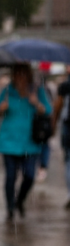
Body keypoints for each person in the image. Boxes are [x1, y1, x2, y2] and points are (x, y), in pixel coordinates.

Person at [0, 64, 51, 220]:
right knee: (11, 176)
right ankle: (10, 207)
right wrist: (1, 108)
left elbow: (48, 110)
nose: (20, 78)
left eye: (23, 74)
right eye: (17, 74)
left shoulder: (37, 91)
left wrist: (36, 103)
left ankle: (20, 200)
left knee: (29, 175)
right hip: (9, 140)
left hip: (30, 141)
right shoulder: (7, 91)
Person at [51, 73, 70, 208]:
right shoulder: (65, 86)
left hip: (68, 126)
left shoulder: (65, 86)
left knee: (69, 161)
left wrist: (53, 123)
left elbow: (57, 106)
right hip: (67, 128)